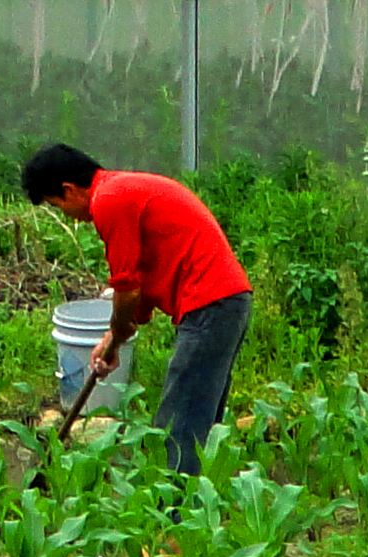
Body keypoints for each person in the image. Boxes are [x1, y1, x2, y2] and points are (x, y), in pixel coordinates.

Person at [22, 143, 253, 477]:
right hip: (225, 303)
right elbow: (141, 284)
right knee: (198, 420)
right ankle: (196, 512)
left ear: (69, 190)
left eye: (58, 206)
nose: (67, 216)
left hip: (209, 305)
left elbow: (127, 288)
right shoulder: (123, 189)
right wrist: (112, 342)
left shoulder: (109, 201)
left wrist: (116, 333)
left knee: (180, 424)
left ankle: (173, 518)